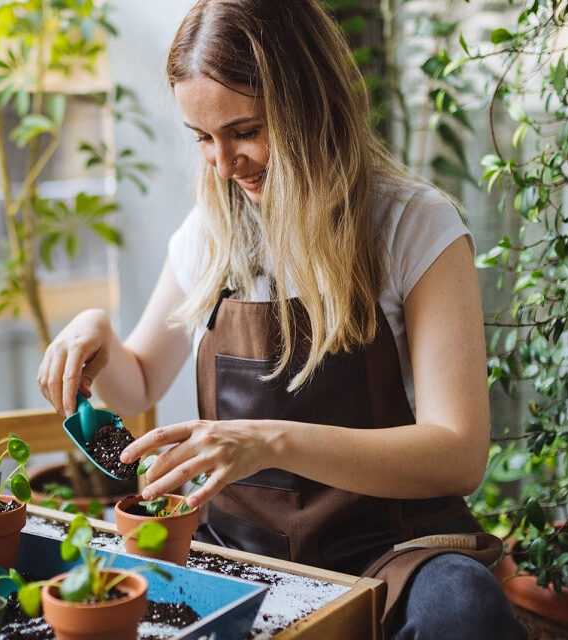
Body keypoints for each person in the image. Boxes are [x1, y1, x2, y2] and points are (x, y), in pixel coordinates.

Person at [37, 1, 526, 637]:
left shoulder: (412, 225)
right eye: (203, 138)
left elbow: (458, 455)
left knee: (464, 610)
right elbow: (138, 384)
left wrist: (268, 441)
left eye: (244, 130)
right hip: (239, 554)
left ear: (310, 103)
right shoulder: (210, 234)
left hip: (390, 552)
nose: (222, 163)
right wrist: (98, 334)